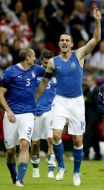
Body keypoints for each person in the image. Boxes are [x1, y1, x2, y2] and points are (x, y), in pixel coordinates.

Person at [36, 8, 101, 186]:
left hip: (77, 102)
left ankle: (77, 173)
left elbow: (95, 39)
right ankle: (62, 166)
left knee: (77, 139)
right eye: (62, 40)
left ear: (72, 44)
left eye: (67, 40)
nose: (64, 43)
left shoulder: (79, 55)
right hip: (60, 101)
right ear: (59, 44)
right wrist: (35, 100)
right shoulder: (52, 62)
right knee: (56, 135)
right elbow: (43, 83)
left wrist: (97, 21)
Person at [0, 48, 45, 187]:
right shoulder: (10, 72)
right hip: (12, 115)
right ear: (27, 58)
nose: (35, 59)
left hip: (28, 114)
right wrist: (8, 111)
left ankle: (20, 179)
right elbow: (0, 94)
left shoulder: (36, 69)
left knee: (25, 144)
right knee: (10, 151)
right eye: (34, 56)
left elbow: (51, 69)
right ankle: (14, 176)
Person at [30, 50, 57, 179]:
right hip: (35, 112)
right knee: (35, 143)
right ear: (41, 61)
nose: (47, 64)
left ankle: (51, 169)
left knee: (51, 140)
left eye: (49, 62)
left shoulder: (57, 75)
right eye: (45, 62)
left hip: (51, 111)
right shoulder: (35, 74)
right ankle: (35, 167)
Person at [83, 75, 101, 160]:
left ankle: (85, 153)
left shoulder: (98, 90)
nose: (87, 82)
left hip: (94, 117)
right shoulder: (87, 90)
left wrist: (86, 100)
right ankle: (97, 154)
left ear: (93, 81)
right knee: (94, 136)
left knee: (88, 135)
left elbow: (97, 102)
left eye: (88, 81)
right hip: (87, 117)